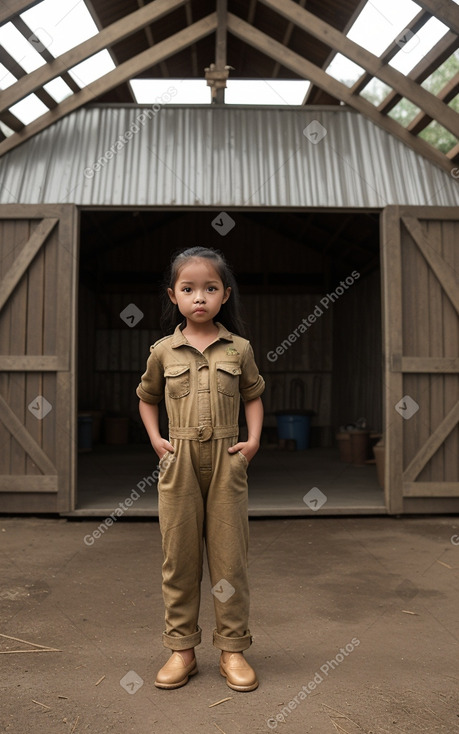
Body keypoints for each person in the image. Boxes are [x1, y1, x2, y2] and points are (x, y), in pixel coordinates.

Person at [136, 246, 265, 692]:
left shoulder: (240, 349)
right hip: (180, 461)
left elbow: (253, 394)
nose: (199, 298)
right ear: (173, 295)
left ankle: (232, 650)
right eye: (188, 289)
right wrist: (157, 440)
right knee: (180, 558)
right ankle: (182, 651)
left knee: (230, 560)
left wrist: (253, 441)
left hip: (229, 459)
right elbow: (146, 397)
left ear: (224, 295)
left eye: (210, 288)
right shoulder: (163, 353)